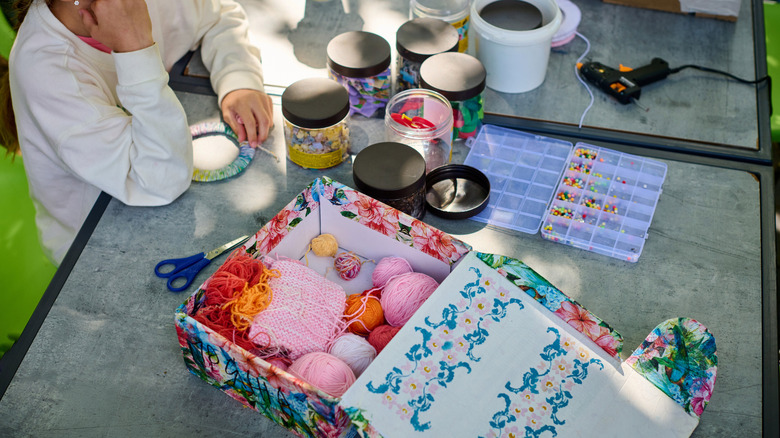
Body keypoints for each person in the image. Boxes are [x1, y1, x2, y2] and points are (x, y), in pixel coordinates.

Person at [0, 0, 273, 264]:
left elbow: (218, 14)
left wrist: (239, 78)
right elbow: (163, 180)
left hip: (163, 205)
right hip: (96, 252)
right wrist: (135, 47)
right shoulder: (48, 73)